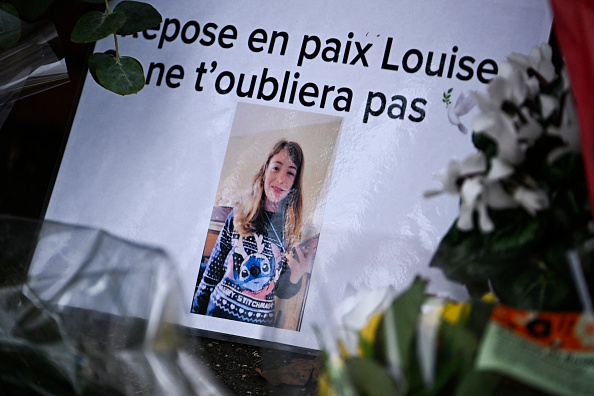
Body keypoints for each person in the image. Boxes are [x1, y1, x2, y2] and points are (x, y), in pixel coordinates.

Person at [191, 139, 316, 326]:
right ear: (265, 170)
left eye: (290, 172)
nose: (281, 178)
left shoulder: (291, 229)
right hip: (215, 317)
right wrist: (193, 319)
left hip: (256, 331)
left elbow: (281, 291)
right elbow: (210, 276)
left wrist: (297, 274)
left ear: (294, 183)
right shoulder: (238, 216)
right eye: (276, 168)